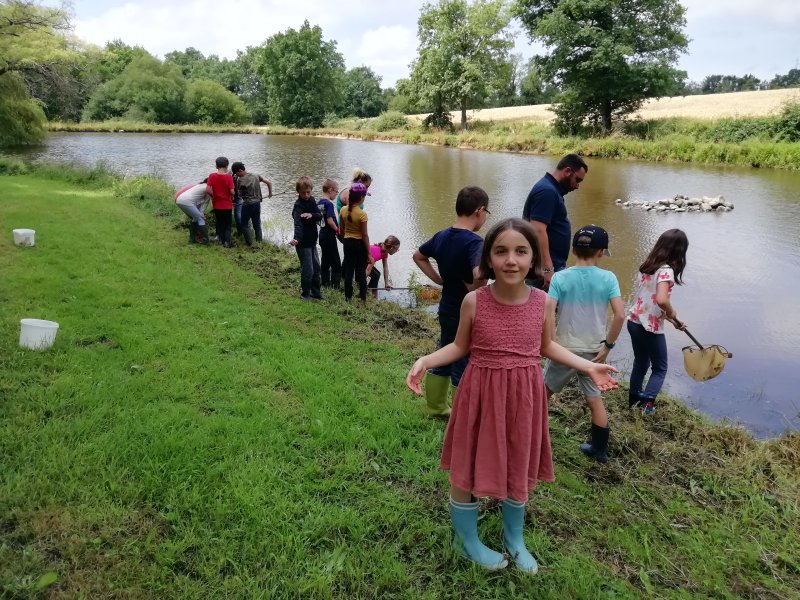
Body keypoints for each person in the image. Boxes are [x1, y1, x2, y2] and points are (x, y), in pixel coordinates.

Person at [406, 218, 618, 573]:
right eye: (501, 251)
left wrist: (587, 366)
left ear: (533, 258)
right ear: (488, 258)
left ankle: (514, 539)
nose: (511, 260)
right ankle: (466, 540)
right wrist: (425, 360)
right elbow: (459, 346)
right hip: (479, 393)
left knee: (519, 458)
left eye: (521, 251)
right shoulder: (474, 301)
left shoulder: (543, 303)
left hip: (524, 396)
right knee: (468, 459)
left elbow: (547, 346)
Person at [543, 225, 624, 464]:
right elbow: (620, 315)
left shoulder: (560, 277)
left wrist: (551, 342)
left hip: (564, 349)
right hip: (594, 352)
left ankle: (534, 438)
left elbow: (548, 312)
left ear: (573, 250)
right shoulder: (609, 278)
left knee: (542, 393)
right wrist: (608, 346)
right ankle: (599, 451)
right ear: (601, 252)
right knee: (594, 398)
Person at [411, 187, 489, 417]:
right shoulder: (475, 242)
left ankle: (436, 406)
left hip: (447, 306)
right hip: (469, 311)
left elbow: (418, 256)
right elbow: (479, 273)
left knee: (445, 349)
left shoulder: (442, 236)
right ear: (480, 211)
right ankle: (462, 414)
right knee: (464, 357)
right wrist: (475, 289)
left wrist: (438, 279)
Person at [627, 228, 689, 415]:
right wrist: (672, 311)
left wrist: (673, 320)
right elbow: (661, 300)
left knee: (641, 362)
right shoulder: (666, 271)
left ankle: (634, 400)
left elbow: (649, 302)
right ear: (679, 251)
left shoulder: (647, 267)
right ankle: (647, 406)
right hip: (649, 328)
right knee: (660, 368)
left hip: (634, 321)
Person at [522, 153, 589, 290]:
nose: (577, 186)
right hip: (543, 272)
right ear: (567, 171)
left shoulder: (551, 190)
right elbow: (538, 230)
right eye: (577, 180)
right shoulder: (547, 191)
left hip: (548, 268)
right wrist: (548, 269)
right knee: (541, 304)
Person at [289, 176, 323, 300]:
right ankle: (305, 294)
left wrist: (311, 215)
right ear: (298, 191)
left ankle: (316, 292)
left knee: (316, 268)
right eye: (303, 192)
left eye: (308, 192)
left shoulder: (312, 200)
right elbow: (297, 224)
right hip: (303, 243)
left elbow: (319, 215)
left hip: (312, 241)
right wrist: (297, 239)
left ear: (311, 190)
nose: (306, 195)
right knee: (308, 270)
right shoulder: (298, 206)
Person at [339, 182, 373, 302]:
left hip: (347, 242)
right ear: (362, 197)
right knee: (360, 273)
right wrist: (369, 253)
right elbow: (364, 235)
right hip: (359, 244)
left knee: (349, 271)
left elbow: (342, 229)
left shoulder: (343, 210)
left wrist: (345, 240)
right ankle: (363, 299)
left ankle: (348, 298)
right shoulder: (362, 214)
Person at [231, 161, 272, 246]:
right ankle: (259, 243)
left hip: (247, 205)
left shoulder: (240, 180)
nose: (237, 175)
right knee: (257, 225)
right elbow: (269, 182)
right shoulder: (256, 175)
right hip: (257, 203)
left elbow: (240, 195)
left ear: (240, 170)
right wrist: (270, 193)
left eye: (236, 173)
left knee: (244, 224)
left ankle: (250, 243)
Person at [317, 178, 342, 289]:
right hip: (329, 236)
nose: (336, 194)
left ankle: (324, 284)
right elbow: (330, 221)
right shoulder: (329, 204)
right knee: (336, 264)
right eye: (336, 191)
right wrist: (338, 230)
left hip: (322, 235)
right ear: (330, 190)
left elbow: (319, 220)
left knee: (325, 261)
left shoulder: (319, 203)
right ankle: (335, 287)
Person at [206, 156, 235, 248]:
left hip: (217, 204)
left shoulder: (211, 176)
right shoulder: (229, 177)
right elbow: (232, 191)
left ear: (216, 166)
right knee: (228, 224)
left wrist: (213, 196)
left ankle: (220, 239)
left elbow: (208, 190)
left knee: (220, 222)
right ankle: (227, 242)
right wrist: (233, 195)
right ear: (227, 166)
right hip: (227, 205)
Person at [175, 178, 211, 244]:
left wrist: (201, 213)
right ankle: (206, 240)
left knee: (195, 218)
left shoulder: (200, 185)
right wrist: (202, 214)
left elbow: (200, 202)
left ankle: (192, 239)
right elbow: (205, 203)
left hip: (179, 199)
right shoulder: (208, 188)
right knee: (200, 219)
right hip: (186, 201)